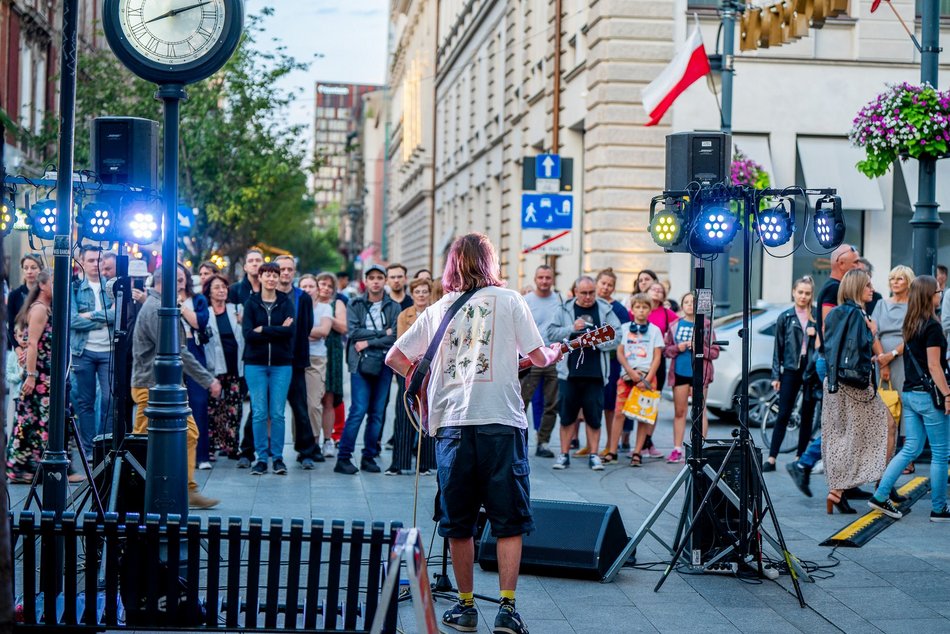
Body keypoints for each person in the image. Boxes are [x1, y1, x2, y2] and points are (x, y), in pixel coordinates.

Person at [385, 232, 562, 634]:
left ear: (452, 265)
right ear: (490, 262)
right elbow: (538, 357)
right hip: (501, 421)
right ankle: (506, 610)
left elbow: (395, 357)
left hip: (452, 426)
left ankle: (465, 608)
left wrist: (425, 391)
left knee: (457, 522)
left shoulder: (437, 309)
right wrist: (555, 352)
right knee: (509, 520)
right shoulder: (511, 299)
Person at [131, 264, 221, 509]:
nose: (183, 285)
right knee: (142, 442)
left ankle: (187, 488)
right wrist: (207, 379)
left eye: (183, 280)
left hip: (165, 387)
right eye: (179, 280)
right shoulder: (155, 309)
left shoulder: (165, 307)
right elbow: (177, 351)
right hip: (150, 386)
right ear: (165, 282)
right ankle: (139, 490)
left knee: (189, 434)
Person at [868, 275, 950, 521]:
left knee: (910, 448)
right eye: (937, 291)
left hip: (909, 393)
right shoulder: (932, 326)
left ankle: (880, 496)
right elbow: (935, 367)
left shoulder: (911, 323)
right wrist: (947, 394)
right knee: (940, 453)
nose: (940, 294)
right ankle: (939, 508)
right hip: (928, 396)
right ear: (928, 295)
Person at [787, 243, 861, 497]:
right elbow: (832, 330)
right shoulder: (832, 289)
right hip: (833, 366)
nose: (858, 266)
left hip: (836, 365)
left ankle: (843, 485)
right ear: (841, 264)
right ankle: (805, 464)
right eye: (855, 262)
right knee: (841, 425)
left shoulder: (838, 290)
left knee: (844, 426)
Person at [5, 272, 83, 483]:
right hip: (40, 377)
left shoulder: (46, 308)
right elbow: (32, 344)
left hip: (48, 375)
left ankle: (31, 468)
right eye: (54, 283)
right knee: (34, 421)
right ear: (42, 286)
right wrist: (31, 376)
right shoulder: (39, 309)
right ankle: (22, 468)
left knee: (37, 422)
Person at [821, 269, 888, 514]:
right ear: (858, 288)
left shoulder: (836, 313)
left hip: (834, 381)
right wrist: (872, 333)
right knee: (878, 427)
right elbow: (859, 349)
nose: (872, 289)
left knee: (839, 435)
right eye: (868, 285)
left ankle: (838, 491)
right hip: (855, 384)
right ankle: (844, 489)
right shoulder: (860, 315)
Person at [547, 275, 621, 470]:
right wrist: (572, 328)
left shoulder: (605, 309)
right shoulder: (565, 309)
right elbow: (551, 333)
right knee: (567, 416)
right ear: (576, 292)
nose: (588, 297)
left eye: (591, 293)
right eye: (584, 293)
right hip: (569, 374)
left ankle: (594, 455)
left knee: (594, 416)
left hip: (596, 373)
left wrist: (598, 341)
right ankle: (563, 455)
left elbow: (618, 334)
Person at [334, 264, 401, 475]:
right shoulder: (355, 303)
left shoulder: (394, 307)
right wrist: (383, 333)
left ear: (385, 281)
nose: (375, 281)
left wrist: (370, 341)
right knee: (358, 410)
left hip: (384, 364)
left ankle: (368, 457)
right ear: (366, 281)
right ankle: (343, 457)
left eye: (379, 278)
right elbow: (354, 333)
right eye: (371, 277)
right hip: (360, 364)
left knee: (377, 413)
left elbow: (395, 336)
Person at [242, 262, 296, 475]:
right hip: (255, 364)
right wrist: (277, 330)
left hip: (281, 365)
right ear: (261, 277)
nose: (272, 278)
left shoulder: (286, 302)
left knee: (277, 413)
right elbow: (248, 334)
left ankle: (278, 458)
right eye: (268, 274)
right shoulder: (251, 303)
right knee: (259, 413)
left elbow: (289, 332)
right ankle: (261, 458)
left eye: (276, 274)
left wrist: (263, 328)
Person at [765, 276, 819, 470]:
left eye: (807, 293)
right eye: (800, 292)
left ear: (812, 295)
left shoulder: (816, 316)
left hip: (810, 369)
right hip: (790, 369)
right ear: (793, 292)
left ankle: (800, 456)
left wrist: (816, 334)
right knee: (784, 413)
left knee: (807, 414)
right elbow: (777, 348)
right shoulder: (786, 317)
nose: (803, 296)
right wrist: (775, 376)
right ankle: (772, 458)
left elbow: (824, 343)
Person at [275, 255, 323, 468]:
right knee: (265, 409)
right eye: (281, 269)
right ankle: (252, 450)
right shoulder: (267, 295)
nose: (285, 273)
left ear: (294, 272)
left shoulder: (301, 297)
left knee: (300, 408)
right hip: (272, 361)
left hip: (295, 361)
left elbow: (307, 325)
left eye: (289, 269)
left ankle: (306, 452)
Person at [70, 246, 116, 459]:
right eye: (90, 260)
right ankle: (89, 449)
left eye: (98, 260)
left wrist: (89, 316)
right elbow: (72, 320)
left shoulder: (111, 286)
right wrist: (102, 320)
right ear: (81, 261)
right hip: (84, 350)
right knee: (85, 402)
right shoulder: (76, 287)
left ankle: (103, 445)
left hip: (108, 350)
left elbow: (116, 316)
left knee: (109, 399)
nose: (95, 264)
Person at [607, 293, 663, 466]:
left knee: (642, 416)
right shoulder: (624, 329)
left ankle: (637, 452)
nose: (641, 310)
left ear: (650, 310)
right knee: (619, 414)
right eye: (638, 307)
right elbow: (620, 352)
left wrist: (647, 378)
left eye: (645, 307)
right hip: (627, 376)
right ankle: (612, 450)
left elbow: (657, 357)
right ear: (632, 309)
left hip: (647, 377)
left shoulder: (654, 331)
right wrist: (630, 372)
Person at [387, 277, 436, 475]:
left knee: (427, 414)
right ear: (412, 294)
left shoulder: (435, 313)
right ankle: (399, 463)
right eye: (418, 291)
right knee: (404, 413)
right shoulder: (404, 314)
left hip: (431, 370)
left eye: (425, 291)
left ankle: (425, 464)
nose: (421, 295)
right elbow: (401, 342)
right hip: (408, 369)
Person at [664, 292, 720, 463]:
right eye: (686, 302)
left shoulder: (707, 325)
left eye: (693, 302)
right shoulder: (675, 325)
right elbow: (666, 350)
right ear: (682, 305)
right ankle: (676, 449)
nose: (689, 305)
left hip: (700, 374)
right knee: (680, 412)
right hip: (680, 372)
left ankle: (700, 447)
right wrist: (678, 347)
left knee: (699, 411)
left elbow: (715, 352)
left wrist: (699, 349)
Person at [518, 265, 563, 459]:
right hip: (531, 358)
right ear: (535, 279)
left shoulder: (560, 301)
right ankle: (519, 441)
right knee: (522, 402)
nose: (544, 281)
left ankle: (543, 442)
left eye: (548, 277)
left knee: (551, 403)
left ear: (552, 279)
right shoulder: (526, 301)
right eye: (541, 277)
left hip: (554, 358)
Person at [872, 265, 914, 467]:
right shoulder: (880, 304)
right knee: (885, 405)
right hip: (881, 359)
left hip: (903, 357)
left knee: (905, 404)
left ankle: (907, 458)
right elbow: (874, 333)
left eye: (900, 279)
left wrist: (893, 354)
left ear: (908, 282)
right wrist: (882, 358)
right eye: (892, 278)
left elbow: (911, 336)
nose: (895, 282)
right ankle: (885, 457)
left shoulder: (913, 305)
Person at [590, 267, 632, 463]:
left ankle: (609, 443)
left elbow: (623, 336)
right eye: (603, 283)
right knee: (589, 404)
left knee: (608, 404)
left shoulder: (619, 310)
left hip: (612, 362)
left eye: (610, 285)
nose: (605, 287)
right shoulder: (588, 303)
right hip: (590, 361)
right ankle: (590, 445)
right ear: (597, 283)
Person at [204, 274, 245, 459]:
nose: (221, 290)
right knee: (214, 409)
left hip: (235, 367)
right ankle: (211, 446)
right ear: (209, 292)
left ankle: (232, 446)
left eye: (224, 287)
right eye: (216, 287)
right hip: (214, 368)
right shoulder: (206, 312)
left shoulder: (236, 309)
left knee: (234, 409)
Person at [178, 264, 212, 469]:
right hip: (171, 348)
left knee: (198, 402)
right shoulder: (159, 297)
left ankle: (201, 456)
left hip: (194, 348)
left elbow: (199, 322)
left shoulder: (198, 299)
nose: (178, 280)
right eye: (174, 277)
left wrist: (181, 306)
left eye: (181, 277)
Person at [298, 274, 333, 457]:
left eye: (311, 286)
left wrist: (299, 329)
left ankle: (314, 443)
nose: (307, 289)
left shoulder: (325, 308)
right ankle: (300, 444)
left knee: (313, 404)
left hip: (316, 359)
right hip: (295, 358)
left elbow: (324, 331)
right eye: (303, 286)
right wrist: (311, 332)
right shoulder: (293, 305)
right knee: (299, 405)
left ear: (317, 290)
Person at [643, 280, 678, 458]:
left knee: (653, 401)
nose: (656, 292)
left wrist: (669, 342)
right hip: (639, 360)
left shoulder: (666, 313)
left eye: (660, 290)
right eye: (653, 289)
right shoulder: (640, 308)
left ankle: (648, 441)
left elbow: (681, 324)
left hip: (658, 361)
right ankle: (633, 442)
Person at [315, 272, 348, 453]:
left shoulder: (337, 303)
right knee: (313, 401)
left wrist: (327, 317)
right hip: (312, 352)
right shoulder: (309, 302)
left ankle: (328, 440)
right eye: (322, 284)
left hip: (332, 351)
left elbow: (343, 327)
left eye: (329, 286)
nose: (325, 288)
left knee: (329, 398)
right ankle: (312, 440)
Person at [7, 253, 44, 351]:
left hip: (41, 347)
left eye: (33, 268)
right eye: (26, 268)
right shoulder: (14, 295)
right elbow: (10, 327)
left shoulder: (44, 294)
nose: (29, 271)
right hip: (19, 347)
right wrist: (17, 349)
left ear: (40, 270)